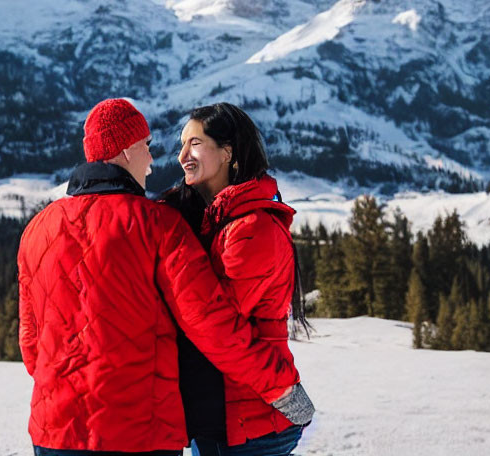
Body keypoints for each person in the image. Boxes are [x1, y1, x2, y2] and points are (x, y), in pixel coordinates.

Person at [18, 98, 313, 456]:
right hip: (140, 432)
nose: (155, 159)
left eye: (194, 143)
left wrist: (69, 389)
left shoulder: (37, 229)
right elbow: (209, 323)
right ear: (127, 151)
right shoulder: (158, 224)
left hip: (55, 433)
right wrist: (283, 388)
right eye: (146, 146)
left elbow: (32, 344)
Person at [160, 102, 311, 456]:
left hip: (250, 424)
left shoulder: (252, 229)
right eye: (181, 145)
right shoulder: (216, 220)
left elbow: (218, 330)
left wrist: (283, 391)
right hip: (218, 421)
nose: (182, 155)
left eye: (194, 143)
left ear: (228, 152)